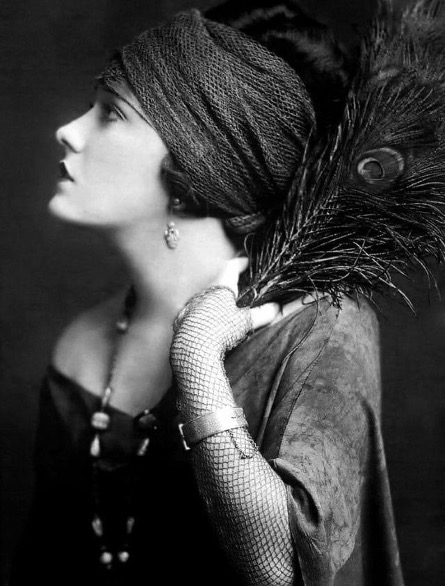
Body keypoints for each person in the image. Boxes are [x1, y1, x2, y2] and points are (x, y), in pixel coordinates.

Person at [10, 2, 443, 585]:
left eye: (111, 113)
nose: (69, 130)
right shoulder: (85, 341)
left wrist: (196, 355)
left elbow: (284, 568)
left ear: (195, 169)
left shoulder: (320, 332)